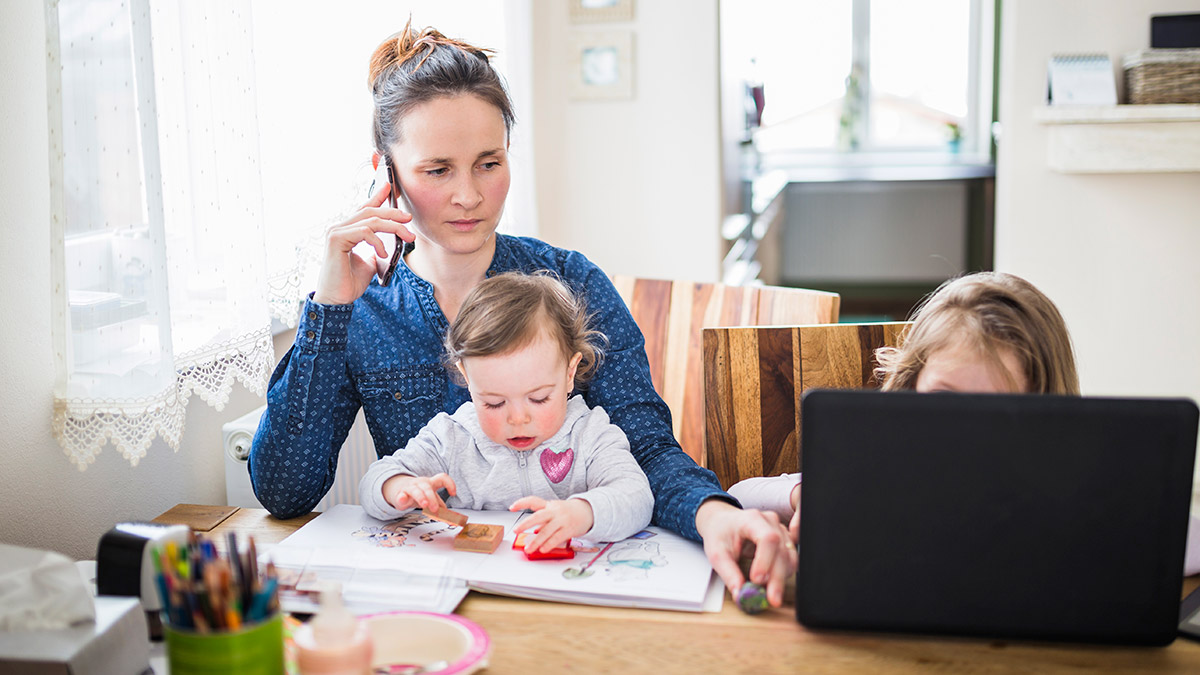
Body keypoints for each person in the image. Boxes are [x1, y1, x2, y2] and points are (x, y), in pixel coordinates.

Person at [249, 21, 794, 606]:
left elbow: (644, 447)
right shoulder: (360, 309)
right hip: (433, 593)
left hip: (568, 583)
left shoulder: (570, 282)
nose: (469, 195)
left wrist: (714, 515)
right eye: (437, 170)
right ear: (386, 173)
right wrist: (329, 311)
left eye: (488, 163)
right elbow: (285, 491)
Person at [729, 271, 1081, 542]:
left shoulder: (1064, 492)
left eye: (998, 411)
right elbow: (738, 496)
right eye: (944, 399)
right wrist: (802, 495)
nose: (965, 431)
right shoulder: (882, 466)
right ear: (911, 385)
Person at [358, 272, 653, 552]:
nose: (518, 419)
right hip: (476, 585)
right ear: (467, 378)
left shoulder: (590, 434)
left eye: (538, 398)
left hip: (557, 588)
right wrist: (399, 488)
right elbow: (375, 480)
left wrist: (584, 512)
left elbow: (637, 497)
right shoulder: (451, 436)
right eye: (494, 403)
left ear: (569, 372)